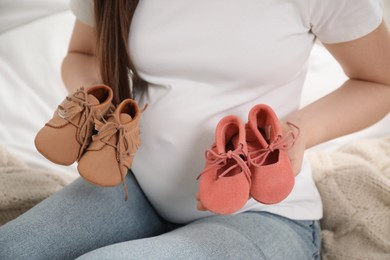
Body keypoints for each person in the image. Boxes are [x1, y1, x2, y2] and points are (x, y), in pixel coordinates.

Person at [1, 0, 390, 259]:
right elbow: (82, 54)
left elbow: (380, 80)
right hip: (133, 187)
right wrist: (97, 106)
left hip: (262, 215)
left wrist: (300, 132)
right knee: (14, 249)